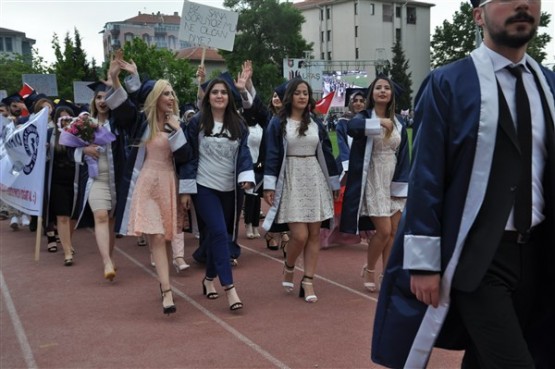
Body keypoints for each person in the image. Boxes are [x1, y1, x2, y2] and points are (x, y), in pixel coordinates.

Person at [371, 1, 555, 368]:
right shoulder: (449, 83)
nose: (522, 4)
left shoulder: (548, 84)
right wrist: (424, 264)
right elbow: (427, 176)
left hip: (538, 252)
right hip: (478, 257)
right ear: (478, 15)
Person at [109, 53, 188, 315]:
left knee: (166, 237)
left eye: (173, 93)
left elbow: (187, 158)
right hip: (147, 184)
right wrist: (116, 79)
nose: (171, 98)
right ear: (156, 97)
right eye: (166, 93)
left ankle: (164, 281)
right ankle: (167, 291)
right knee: (155, 236)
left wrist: (177, 132)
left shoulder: (177, 124)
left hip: (168, 184)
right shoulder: (141, 121)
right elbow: (123, 110)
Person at [179, 77, 255, 312]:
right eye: (215, 92)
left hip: (231, 190)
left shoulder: (239, 124)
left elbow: (244, 154)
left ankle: (208, 279)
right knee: (221, 234)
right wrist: (186, 189)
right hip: (204, 187)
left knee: (215, 236)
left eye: (223, 92)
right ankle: (229, 288)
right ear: (208, 97)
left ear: (229, 97)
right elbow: (188, 156)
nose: (219, 96)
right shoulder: (197, 123)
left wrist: (246, 176)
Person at [263, 78, 340, 303]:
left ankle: (308, 281)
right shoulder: (278, 123)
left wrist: (333, 183)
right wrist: (269, 185)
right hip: (291, 177)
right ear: (290, 96)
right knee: (300, 235)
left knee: (315, 234)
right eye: (297, 92)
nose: (302, 96)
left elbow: (326, 151)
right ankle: (289, 265)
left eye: (305, 93)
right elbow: (272, 154)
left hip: (314, 177)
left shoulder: (316, 122)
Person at [340, 76, 409, 292]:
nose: (382, 91)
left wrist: (402, 185)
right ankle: (370, 268)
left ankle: (387, 274)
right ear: (372, 93)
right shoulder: (364, 117)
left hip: (393, 178)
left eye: (386, 88)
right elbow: (352, 127)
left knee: (394, 232)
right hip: (372, 177)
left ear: (391, 95)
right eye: (378, 88)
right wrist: (379, 121)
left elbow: (405, 154)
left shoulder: (399, 122)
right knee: (383, 230)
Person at [320, 88, 368, 248]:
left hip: (367, 165)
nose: (359, 103)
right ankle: (327, 236)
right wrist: (348, 168)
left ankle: (363, 234)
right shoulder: (343, 122)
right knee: (338, 200)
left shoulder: (370, 121)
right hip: (346, 165)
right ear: (350, 103)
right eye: (355, 101)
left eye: (362, 101)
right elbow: (342, 145)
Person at [46, 105, 78, 265]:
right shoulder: (50, 135)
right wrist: (44, 150)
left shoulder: (80, 134)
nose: (65, 121)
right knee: (62, 216)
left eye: (69, 118)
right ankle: (67, 252)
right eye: (62, 118)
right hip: (58, 181)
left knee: (73, 216)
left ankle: (68, 242)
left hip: (76, 180)